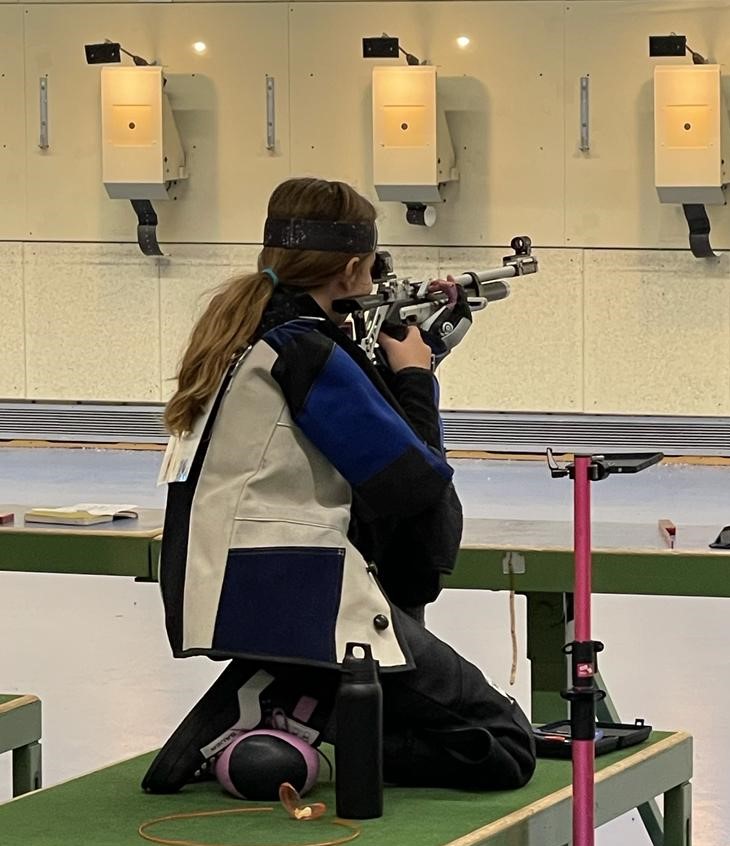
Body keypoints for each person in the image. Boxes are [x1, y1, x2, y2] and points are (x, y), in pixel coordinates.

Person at [143, 177, 536, 794]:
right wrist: (417, 378)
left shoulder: (250, 333)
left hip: (242, 589)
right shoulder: (305, 348)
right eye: (374, 264)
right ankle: (307, 713)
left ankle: (287, 696)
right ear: (353, 268)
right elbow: (413, 485)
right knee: (506, 746)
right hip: (304, 600)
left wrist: (408, 363)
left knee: (438, 711)